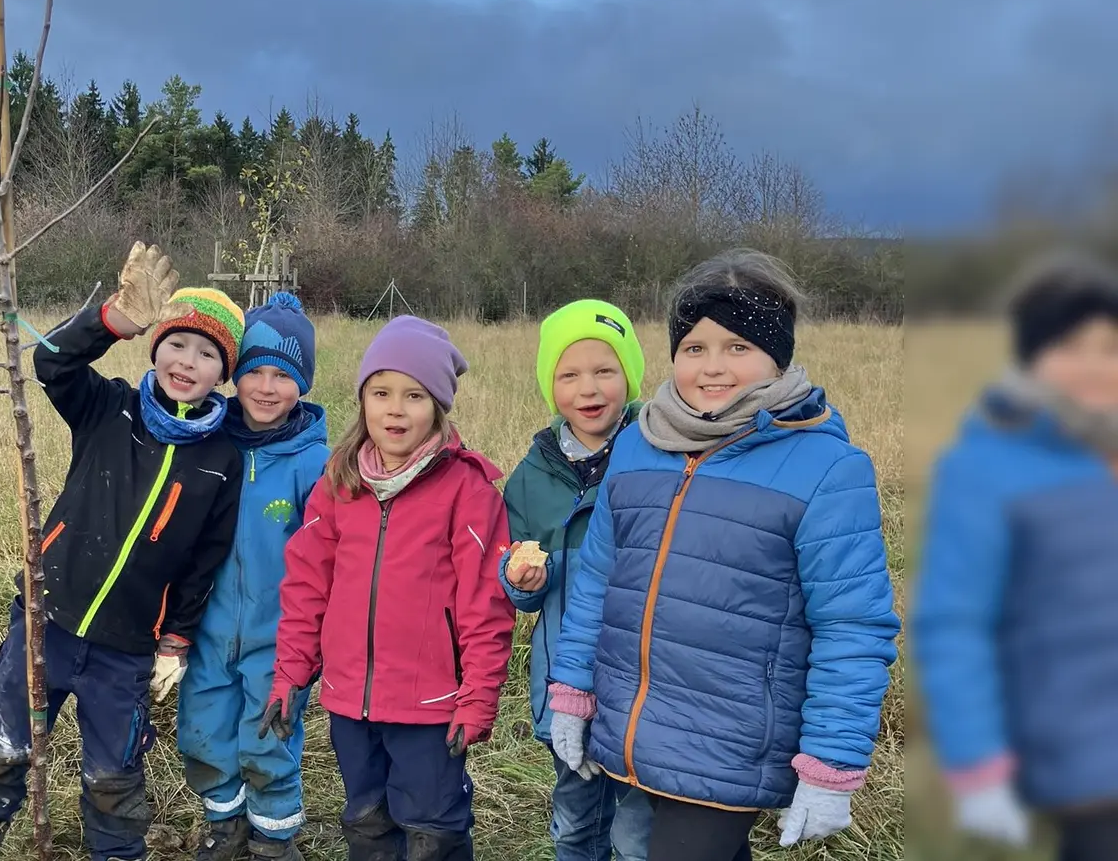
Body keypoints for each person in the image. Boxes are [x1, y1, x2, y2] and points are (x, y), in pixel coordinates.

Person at [546, 249, 901, 861]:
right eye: (695, 348)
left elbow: (853, 626)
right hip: (637, 726)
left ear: (777, 355)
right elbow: (598, 582)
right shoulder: (638, 447)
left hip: (732, 741)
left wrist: (831, 763)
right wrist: (573, 690)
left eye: (738, 347)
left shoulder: (827, 469)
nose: (713, 368)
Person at [0, 246, 245, 861]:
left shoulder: (221, 460)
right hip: (47, 619)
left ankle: (116, 851)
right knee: (7, 742)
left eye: (208, 354)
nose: (189, 361)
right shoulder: (109, 408)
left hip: (128, 648)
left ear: (224, 372)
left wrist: (176, 638)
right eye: (178, 344)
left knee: (114, 774)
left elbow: (203, 563)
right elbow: (51, 362)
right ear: (155, 346)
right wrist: (112, 319)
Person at [265, 316, 515, 861]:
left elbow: (485, 606)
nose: (395, 409)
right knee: (366, 820)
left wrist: (477, 698)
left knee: (432, 828)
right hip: (350, 700)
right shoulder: (338, 482)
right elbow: (307, 584)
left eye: (414, 395)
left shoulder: (467, 490)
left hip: (430, 706)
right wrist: (289, 673)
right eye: (381, 393)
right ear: (363, 400)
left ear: (439, 406)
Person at [910, 251, 1118, 861]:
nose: (1095, 366)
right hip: (1082, 762)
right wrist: (977, 768)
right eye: (1072, 346)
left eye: (1110, 347)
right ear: (1032, 357)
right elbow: (954, 624)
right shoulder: (984, 469)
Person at [177, 292, 330, 861]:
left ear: (304, 385)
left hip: (281, 637)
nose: (266, 387)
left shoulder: (316, 463)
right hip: (206, 632)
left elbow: (326, 559)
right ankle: (225, 828)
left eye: (282, 375)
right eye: (254, 372)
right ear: (234, 376)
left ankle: (272, 838)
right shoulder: (209, 445)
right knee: (205, 730)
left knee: (269, 737)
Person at [498, 299, 646, 861]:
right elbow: (516, 583)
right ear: (549, 385)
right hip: (566, 679)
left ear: (629, 377)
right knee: (576, 818)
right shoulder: (533, 475)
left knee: (638, 827)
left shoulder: (656, 452)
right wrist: (523, 580)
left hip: (643, 681)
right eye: (569, 374)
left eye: (605, 371)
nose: (588, 388)